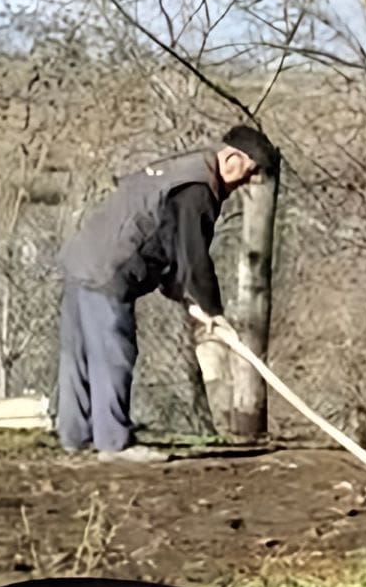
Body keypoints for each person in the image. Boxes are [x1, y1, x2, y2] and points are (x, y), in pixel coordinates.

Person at [53, 124, 279, 458]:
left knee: (79, 354)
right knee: (112, 355)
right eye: (247, 175)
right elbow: (192, 258)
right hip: (109, 268)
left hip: (83, 257)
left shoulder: (184, 168)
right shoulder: (197, 190)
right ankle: (113, 444)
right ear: (231, 159)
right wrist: (212, 310)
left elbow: (169, 247)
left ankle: (75, 436)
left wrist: (190, 301)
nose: (243, 185)